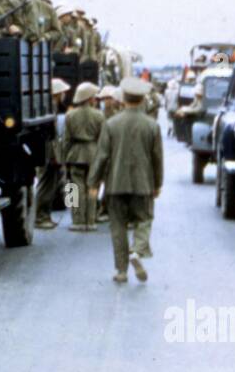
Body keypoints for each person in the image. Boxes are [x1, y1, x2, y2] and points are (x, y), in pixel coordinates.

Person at [89, 77, 163, 283]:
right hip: (143, 184)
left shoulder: (111, 124)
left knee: (118, 227)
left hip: (115, 184)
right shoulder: (152, 126)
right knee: (145, 220)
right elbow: (157, 159)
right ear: (141, 100)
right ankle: (137, 251)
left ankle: (121, 271)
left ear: (123, 99)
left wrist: (94, 183)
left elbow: (102, 155)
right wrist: (157, 184)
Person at [63, 82, 104, 231]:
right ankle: (91, 221)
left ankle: (77, 221)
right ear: (89, 98)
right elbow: (103, 139)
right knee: (92, 188)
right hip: (93, 154)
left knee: (73, 187)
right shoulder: (99, 115)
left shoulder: (70, 115)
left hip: (75, 154)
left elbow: (66, 139)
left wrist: (63, 158)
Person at [34, 78, 72, 229]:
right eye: (62, 92)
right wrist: (54, 155)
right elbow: (50, 136)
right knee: (46, 185)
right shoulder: (50, 108)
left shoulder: (51, 107)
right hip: (49, 153)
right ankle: (40, 216)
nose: (64, 95)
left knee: (50, 185)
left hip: (50, 151)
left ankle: (45, 215)